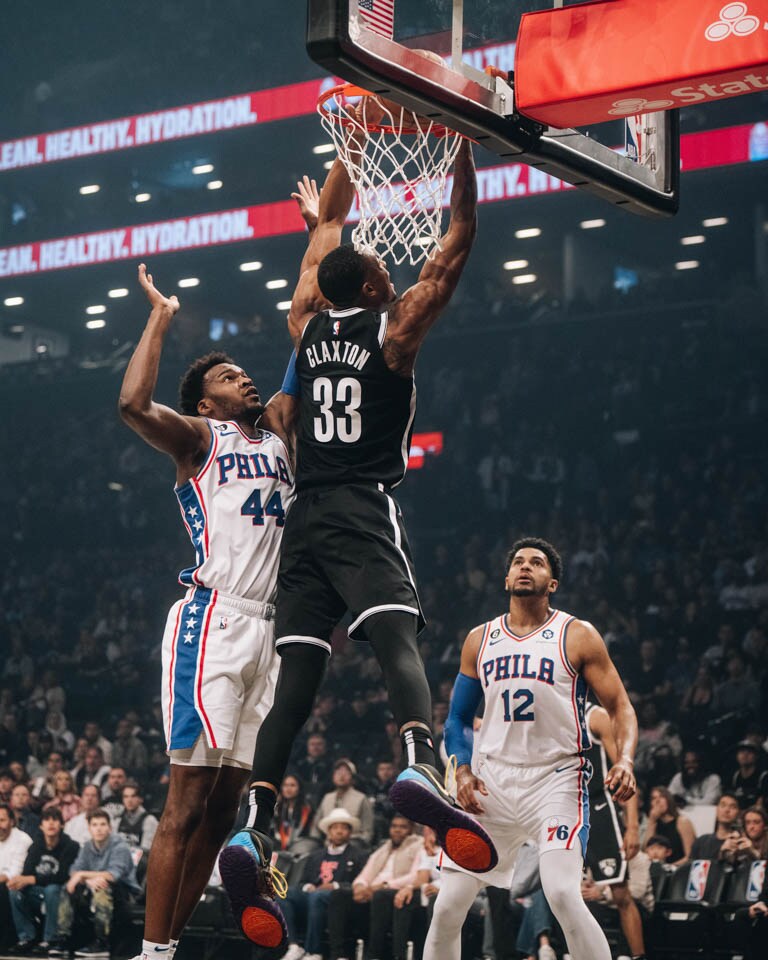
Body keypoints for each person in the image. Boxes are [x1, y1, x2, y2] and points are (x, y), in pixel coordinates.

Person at [222, 107, 494, 951]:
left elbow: (329, 235)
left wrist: (344, 166)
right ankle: (417, 760)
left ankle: (256, 822)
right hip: (360, 506)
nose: (384, 263)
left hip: (301, 520)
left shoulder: (304, 323)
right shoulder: (397, 324)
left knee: (296, 681)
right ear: (375, 287)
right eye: (379, 265)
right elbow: (456, 242)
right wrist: (462, 154)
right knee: (398, 641)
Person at [117, 257, 300, 960]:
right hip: (213, 621)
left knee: (225, 810)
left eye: (241, 373)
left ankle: (172, 942)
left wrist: (320, 234)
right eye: (226, 378)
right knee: (186, 802)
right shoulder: (201, 442)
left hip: (269, 630)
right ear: (206, 404)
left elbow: (306, 337)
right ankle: (151, 952)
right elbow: (133, 405)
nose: (243, 379)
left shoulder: (280, 441)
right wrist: (161, 317)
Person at [423, 538, 638, 960]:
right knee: (448, 905)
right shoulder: (479, 639)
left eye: (536, 563)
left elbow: (620, 707)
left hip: (556, 779)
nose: (525, 567)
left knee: (561, 892)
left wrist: (626, 759)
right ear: (506, 578)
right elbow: (457, 721)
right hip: (492, 783)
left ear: (551, 582)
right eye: (518, 562)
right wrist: (463, 770)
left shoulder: (577, 635)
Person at [584, 702, 647, 960]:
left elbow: (624, 774)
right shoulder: (548, 714)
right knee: (562, 892)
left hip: (599, 808)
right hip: (564, 808)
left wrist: (632, 828)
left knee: (620, 894)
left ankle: (639, 955)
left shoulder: (595, 717)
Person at [328, 814, 422, 960]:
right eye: (394, 826)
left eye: (403, 827)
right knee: (339, 894)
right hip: (372, 893)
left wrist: (384, 886)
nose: (397, 830)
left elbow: (416, 876)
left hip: (393, 894)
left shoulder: (418, 846)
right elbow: (365, 874)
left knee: (380, 896)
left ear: (412, 829)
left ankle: (374, 955)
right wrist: (359, 886)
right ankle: (338, 955)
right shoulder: (384, 848)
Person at [50, 809, 139, 959]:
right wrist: (88, 879)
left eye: (103, 824)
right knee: (69, 887)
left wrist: (82, 875)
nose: (99, 828)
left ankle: (101, 942)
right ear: (89, 828)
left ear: (110, 828)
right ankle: (63, 939)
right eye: (95, 825)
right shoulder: (87, 846)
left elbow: (112, 875)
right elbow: (74, 870)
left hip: (123, 892)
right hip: (93, 887)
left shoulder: (120, 846)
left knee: (102, 886)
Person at [281, 808, 367, 960]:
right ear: (329, 831)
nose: (339, 831)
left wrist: (335, 886)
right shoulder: (316, 855)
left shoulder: (358, 855)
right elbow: (303, 881)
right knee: (285, 894)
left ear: (350, 832)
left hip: (338, 900)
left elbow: (362, 882)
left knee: (318, 896)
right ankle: (294, 945)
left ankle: (313, 951)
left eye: (344, 828)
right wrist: (309, 887)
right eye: (335, 828)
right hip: (314, 895)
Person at [8, 808, 79, 955]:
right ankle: (27, 937)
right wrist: (21, 881)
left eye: (55, 820)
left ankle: (51, 939)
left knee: (52, 889)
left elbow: (62, 876)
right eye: (47, 820)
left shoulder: (71, 846)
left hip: (61, 893)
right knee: (14, 891)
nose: (51, 824)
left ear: (62, 825)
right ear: (41, 826)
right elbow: (27, 872)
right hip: (38, 891)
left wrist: (32, 879)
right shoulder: (37, 845)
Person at [311, 759, 374, 846]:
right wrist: (315, 843)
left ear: (353, 778)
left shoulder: (361, 798)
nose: (342, 776)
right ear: (333, 776)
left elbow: (367, 830)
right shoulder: (327, 798)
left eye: (346, 772)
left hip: (353, 845)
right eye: (338, 772)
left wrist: (359, 845)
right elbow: (316, 826)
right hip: (327, 845)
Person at [1, 805, 34, 950]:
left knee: (4, 888)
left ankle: (7, 940)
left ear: (12, 822)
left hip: (20, 885)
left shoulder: (22, 839)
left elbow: (15, 872)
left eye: (2, 820)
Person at [642, 786, 695, 866]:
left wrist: (668, 868)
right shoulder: (653, 824)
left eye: (662, 797)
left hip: (679, 869)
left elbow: (690, 856)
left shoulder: (682, 822)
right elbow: (646, 852)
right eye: (654, 798)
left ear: (668, 800)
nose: (658, 801)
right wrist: (652, 822)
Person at [688, 792, 743, 861]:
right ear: (716, 809)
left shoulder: (741, 843)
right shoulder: (701, 841)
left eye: (732, 807)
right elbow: (690, 867)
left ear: (738, 813)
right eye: (723, 805)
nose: (727, 810)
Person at [273, 774, 314, 852]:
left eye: (292, 785)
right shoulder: (277, 808)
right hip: (278, 849)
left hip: (300, 848)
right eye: (285, 785)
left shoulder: (307, 809)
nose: (288, 788)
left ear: (299, 788)